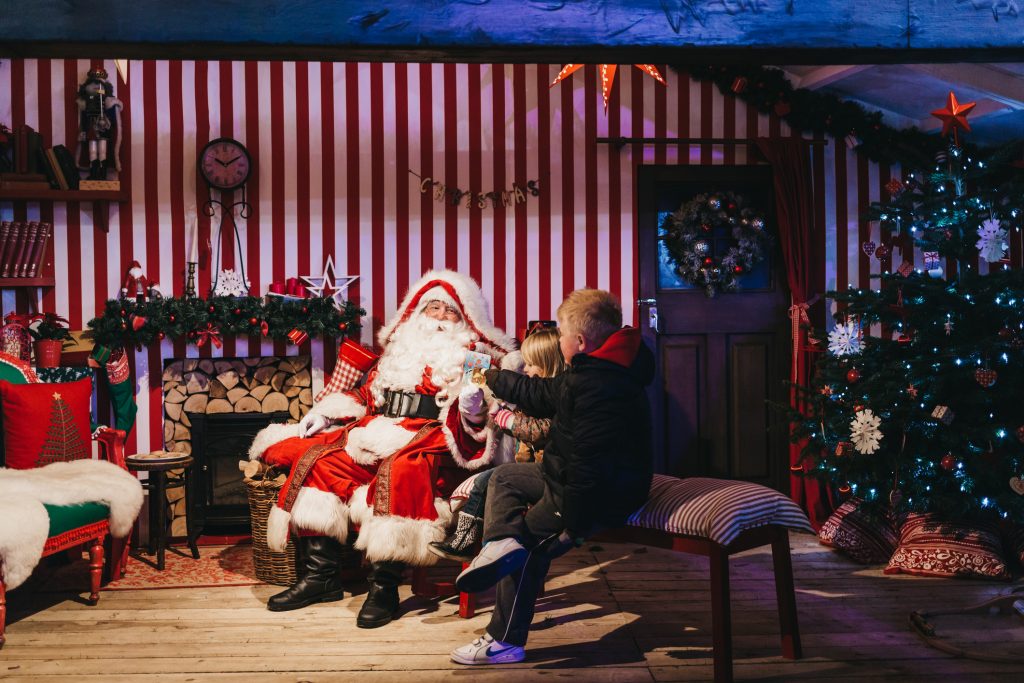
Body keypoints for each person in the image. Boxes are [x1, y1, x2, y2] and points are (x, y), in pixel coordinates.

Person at [248, 269, 520, 628]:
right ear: (416, 312)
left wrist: (472, 409)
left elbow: (482, 417)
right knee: (322, 461)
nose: (438, 318)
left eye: (448, 311)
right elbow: (366, 395)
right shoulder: (397, 354)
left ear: (466, 318)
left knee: (402, 467)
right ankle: (321, 578)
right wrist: (327, 415)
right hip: (379, 428)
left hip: (437, 435)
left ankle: (384, 587)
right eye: (432, 307)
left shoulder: (478, 360)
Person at [450, 288, 654, 665]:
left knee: (527, 547)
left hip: (597, 493)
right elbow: (539, 392)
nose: (558, 339)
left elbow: (591, 466)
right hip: (566, 477)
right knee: (506, 477)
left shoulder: (602, 387)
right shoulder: (595, 369)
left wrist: (572, 525)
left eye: (560, 333)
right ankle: (497, 544)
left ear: (578, 341)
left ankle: (504, 641)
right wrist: (487, 375)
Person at [428, 326, 565, 562]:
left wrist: (508, 420)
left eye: (531, 364)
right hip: (529, 467)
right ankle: (471, 541)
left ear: (547, 365)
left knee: (488, 480)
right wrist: (495, 408)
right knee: (487, 481)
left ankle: (472, 542)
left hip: (545, 471)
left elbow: (541, 430)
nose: (526, 369)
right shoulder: (533, 392)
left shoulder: (554, 397)